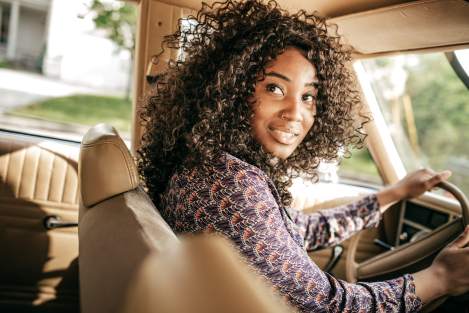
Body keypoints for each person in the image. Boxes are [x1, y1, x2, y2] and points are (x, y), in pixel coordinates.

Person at [137, 0, 469, 311]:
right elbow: (326, 305)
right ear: (230, 90)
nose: (297, 112)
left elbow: (302, 229)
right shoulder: (228, 184)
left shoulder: (211, 168)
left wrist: (392, 195)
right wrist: (439, 278)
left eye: (309, 96)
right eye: (275, 88)